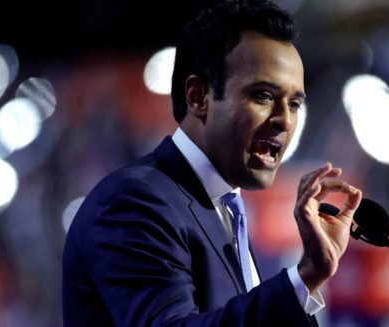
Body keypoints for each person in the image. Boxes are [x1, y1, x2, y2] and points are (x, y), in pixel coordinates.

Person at [62, 1, 362, 326]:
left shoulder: (225, 209)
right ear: (198, 97)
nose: (284, 120)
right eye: (262, 95)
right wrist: (302, 279)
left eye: (294, 103)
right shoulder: (134, 201)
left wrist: (308, 277)